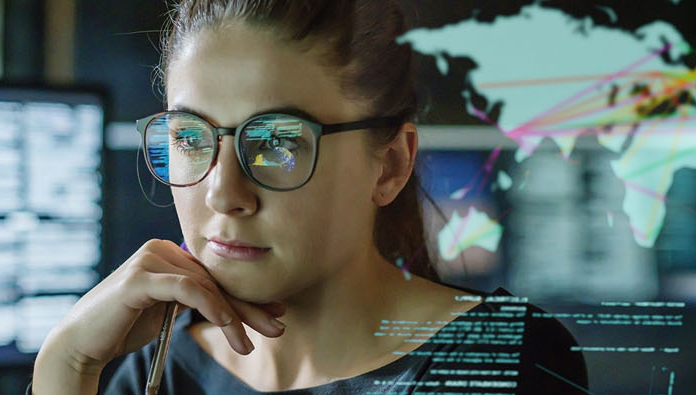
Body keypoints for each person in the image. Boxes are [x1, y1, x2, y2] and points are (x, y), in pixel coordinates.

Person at [31, 1, 588, 393]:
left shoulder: (502, 367)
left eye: (277, 143)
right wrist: (66, 362)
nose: (224, 193)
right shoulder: (152, 374)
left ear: (389, 165)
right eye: (189, 138)